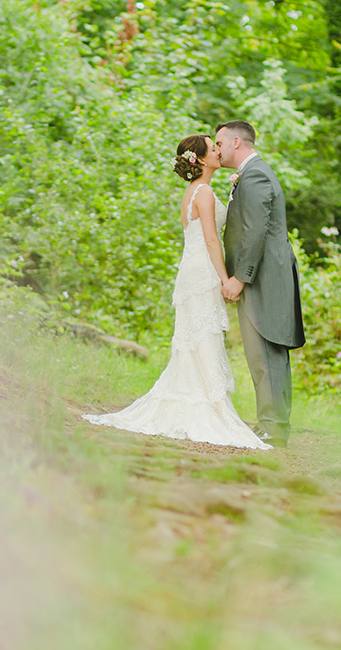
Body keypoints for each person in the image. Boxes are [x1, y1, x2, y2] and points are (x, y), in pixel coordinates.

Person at [83, 134, 271, 450]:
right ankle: (207, 408)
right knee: (203, 336)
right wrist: (227, 279)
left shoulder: (192, 192)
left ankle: (196, 400)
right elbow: (212, 240)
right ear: (200, 160)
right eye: (213, 149)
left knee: (194, 339)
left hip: (191, 270)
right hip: (203, 272)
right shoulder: (205, 193)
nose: (218, 151)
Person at [214, 120, 306, 448]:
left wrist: (239, 277)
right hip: (262, 275)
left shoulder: (255, 175)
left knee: (266, 352)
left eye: (220, 143)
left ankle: (273, 428)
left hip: (263, 277)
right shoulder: (253, 174)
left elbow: (254, 231)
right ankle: (271, 423)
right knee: (262, 354)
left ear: (237, 142)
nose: (218, 150)